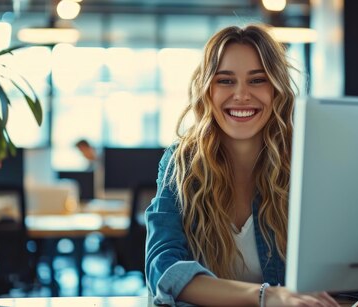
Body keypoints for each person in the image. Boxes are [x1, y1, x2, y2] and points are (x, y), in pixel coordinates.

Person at [145, 25, 340, 306]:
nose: (241, 94)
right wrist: (267, 296)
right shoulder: (182, 163)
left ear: (277, 89)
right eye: (225, 81)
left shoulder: (307, 162)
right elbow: (163, 270)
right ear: (207, 90)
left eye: (257, 80)